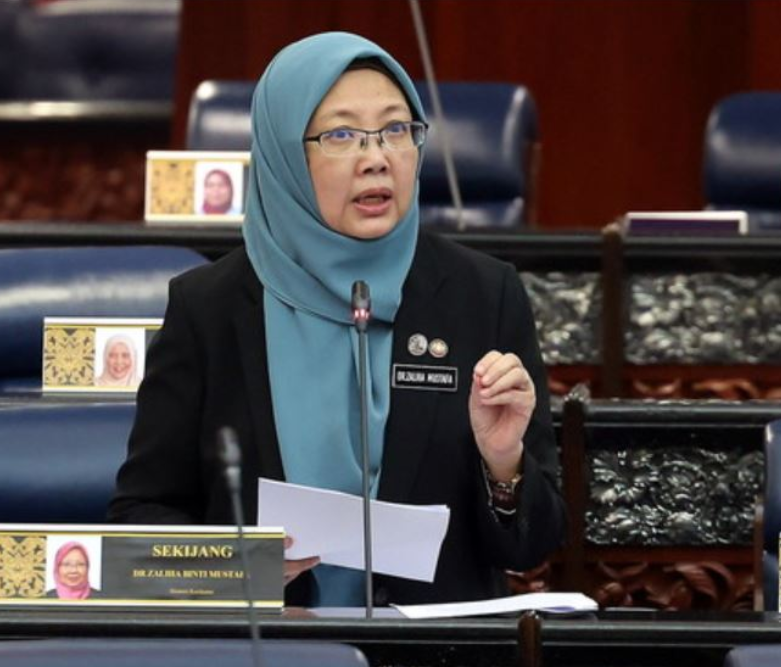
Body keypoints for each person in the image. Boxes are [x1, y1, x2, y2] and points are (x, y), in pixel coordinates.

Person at [108, 32, 566, 607]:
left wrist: (504, 464)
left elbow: (532, 548)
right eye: (342, 135)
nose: (377, 158)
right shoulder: (210, 309)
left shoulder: (482, 293)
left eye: (398, 130)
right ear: (284, 155)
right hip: (274, 650)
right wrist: (234, 569)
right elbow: (142, 516)